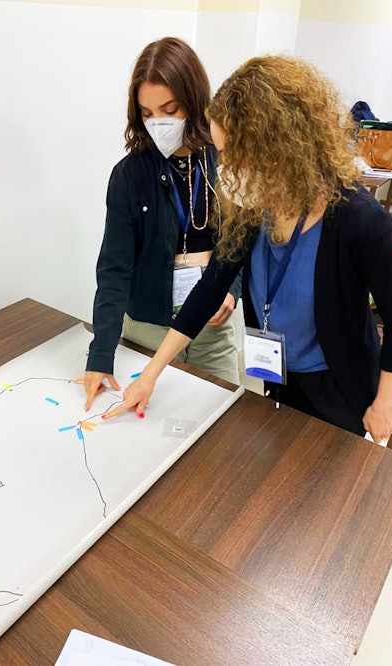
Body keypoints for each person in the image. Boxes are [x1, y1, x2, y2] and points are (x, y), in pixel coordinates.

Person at [107, 55, 392, 444]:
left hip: (342, 387)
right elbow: (209, 289)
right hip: (279, 375)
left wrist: (386, 403)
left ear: (280, 148)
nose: (226, 167)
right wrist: (150, 374)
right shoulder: (254, 207)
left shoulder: (360, 221)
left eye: (233, 155)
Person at [84, 37, 240, 410]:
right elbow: (114, 269)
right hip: (149, 331)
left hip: (212, 329)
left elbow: (244, 244)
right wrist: (101, 354)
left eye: (170, 109)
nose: (159, 123)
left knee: (221, 431)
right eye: (147, 113)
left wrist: (232, 290)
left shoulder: (227, 159)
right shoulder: (130, 175)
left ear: (195, 99)